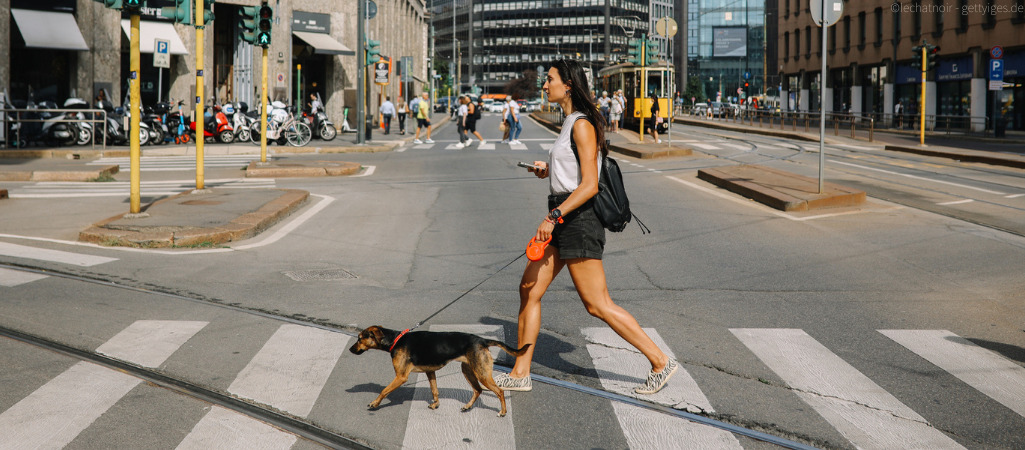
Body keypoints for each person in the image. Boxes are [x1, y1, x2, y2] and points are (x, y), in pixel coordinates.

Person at [494, 59, 678, 395]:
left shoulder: (581, 124)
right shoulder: (567, 123)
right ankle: (521, 373)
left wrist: (553, 217)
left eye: (549, 79)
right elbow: (575, 172)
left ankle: (660, 361)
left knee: (597, 304)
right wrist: (548, 169)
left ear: (567, 85)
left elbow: (590, 184)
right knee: (529, 289)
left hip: (576, 220)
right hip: (563, 214)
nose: (543, 85)